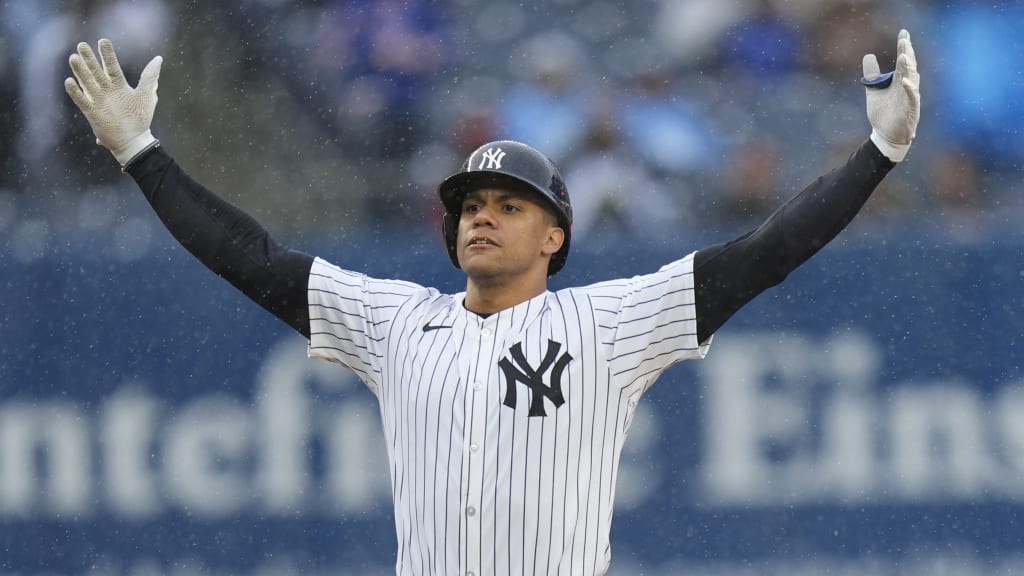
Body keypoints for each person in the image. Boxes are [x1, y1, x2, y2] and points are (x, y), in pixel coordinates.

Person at [64, 30, 920, 576]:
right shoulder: (399, 322)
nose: (483, 217)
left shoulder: (606, 325)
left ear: (555, 236)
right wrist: (141, 151)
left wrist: (877, 153)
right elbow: (251, 257)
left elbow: (763, 255)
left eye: (511, 206)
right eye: (474, 205)